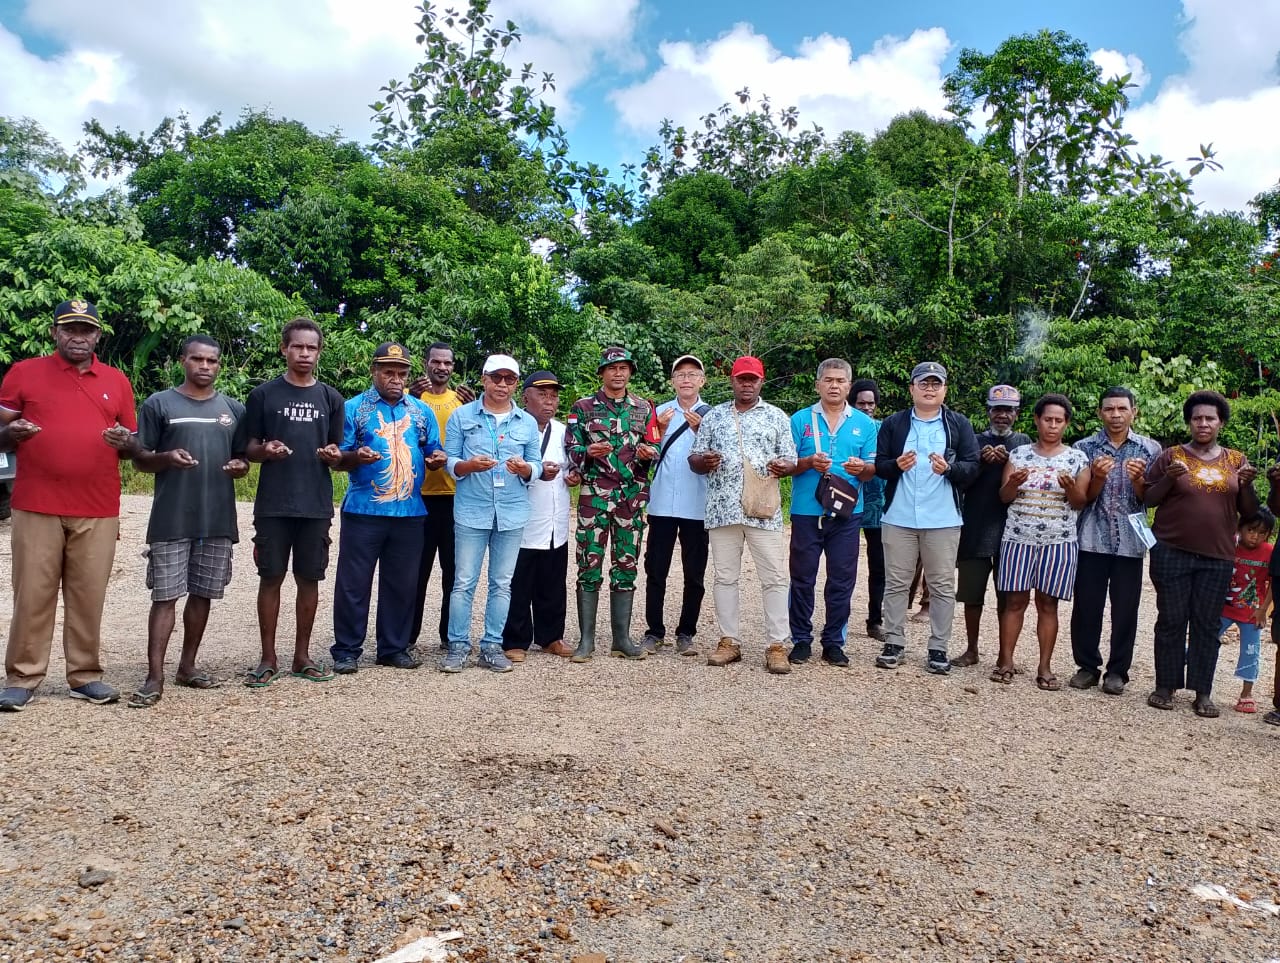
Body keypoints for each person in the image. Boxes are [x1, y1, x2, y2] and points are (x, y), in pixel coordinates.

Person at [0, 299, 138, 710]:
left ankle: (85, 674)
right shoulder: (25, 372)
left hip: (97, 504)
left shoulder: (116, 380)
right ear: (54, 332)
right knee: (33, 593)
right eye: (70, 329)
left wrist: (124, 443)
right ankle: (22, 677)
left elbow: (133, 444)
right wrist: (13, 433)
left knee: (88, 593)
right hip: (36, 501)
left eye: (87, 330)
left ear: (98, 335)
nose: (79, 336)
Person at [127, 335, 250, 708]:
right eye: (197, 359)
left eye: (212, 361)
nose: (205, 366)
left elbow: (243, 459)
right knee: (165, 596)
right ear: (183, 360)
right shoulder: (159, 404)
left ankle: (188, 665)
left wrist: (239, 466)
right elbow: (139, 458)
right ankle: (154, 675)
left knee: (203, 593)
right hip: (171, 517)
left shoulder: (233, 409)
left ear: (219, 365)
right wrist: (165, 458)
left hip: (217, 518)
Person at [235, 318, 345, 688]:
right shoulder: (264, 395)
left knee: (309, 578)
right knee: (271, 577)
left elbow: (337, 450)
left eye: (311, 348)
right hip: (273, 503)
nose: (304, 353)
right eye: (297, 346)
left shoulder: (331, 398)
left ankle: (303, 655)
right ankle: (268, 657)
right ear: (284, 348)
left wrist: (333, 455)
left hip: (315, 503)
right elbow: (247, 447)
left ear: (319, 352)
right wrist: (264, 450)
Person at [325, 342, 445, 674]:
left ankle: (392, 647)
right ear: (374, 372)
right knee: (354, 582)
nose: (395, 378)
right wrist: (354, 457)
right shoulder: (354, 409)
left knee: (402, 582)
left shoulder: (421, 412)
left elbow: (432, 450)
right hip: (364, 510)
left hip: (410, 511)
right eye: (388, 372)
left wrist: (437, 459)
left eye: (401, 373)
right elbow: (339, 458)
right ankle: (347, 649)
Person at [1145, 390, 1258, 718]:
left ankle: (1202, 692)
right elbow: (1150, 499)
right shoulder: (1171, 456)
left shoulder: (1237, 461)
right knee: (1171, 620)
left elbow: (1248, 512)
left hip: (1218, 556)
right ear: (1189, 422)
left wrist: (1247, 484)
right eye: (1197, 418)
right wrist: (1168, 478)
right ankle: (1165, 686)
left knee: (1207, 625)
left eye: (1210, 418)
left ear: (1221, 422)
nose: (1203, 423)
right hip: (1171, 550)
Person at [689, 356, 797, 675]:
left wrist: (784, 467)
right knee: (724, 577)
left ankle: (777, 645)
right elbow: (694, 457)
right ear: (732, 382)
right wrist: (703, 461)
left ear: (761, 382)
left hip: (763, 509)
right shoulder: (715, 417)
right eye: (741, 379)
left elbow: (791, 459)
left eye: (753, 379)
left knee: (774, 577)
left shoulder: (776, 417)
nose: (747, 384)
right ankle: (729, 641)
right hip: (723, 509)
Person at [873, 361, 980, 674]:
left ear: (945, 389)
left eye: (936, 384)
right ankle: (893, 642)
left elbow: (973, 467)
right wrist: (896, 466)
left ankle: (938, 648)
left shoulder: (958, 424)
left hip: (943, 518)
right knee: (896, 583)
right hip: (900, 515)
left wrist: (949, 470)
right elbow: (879, 465)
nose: (930, 389)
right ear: (912, 388)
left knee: (943, 586)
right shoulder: (894, 423)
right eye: (924, 383)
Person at [442, 354, 543, 673]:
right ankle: (457, 646)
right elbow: (449, 459)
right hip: (472, 509)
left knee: (502, 582)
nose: (502, 384)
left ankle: (491, 645)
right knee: (464, 581)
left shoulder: (527, 421)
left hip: (512, 512)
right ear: (483, 379)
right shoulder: (462, 416)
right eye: (496, 378)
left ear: (516, 383)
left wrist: (527, 469)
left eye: (509, 379)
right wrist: (468, 466)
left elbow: (537, 464)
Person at [565, 346, 660, 662]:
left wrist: (649, 454)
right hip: (595, 498)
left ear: (630, 372)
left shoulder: (644, 408)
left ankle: (621, 639)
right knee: (588, 565)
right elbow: (572, 446)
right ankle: (586, 641)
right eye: (612, 368)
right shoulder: (582, 407)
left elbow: (653, 445)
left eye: (624, 368)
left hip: (631, 500)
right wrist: (586, 454)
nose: (618, 373)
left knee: (626, 566)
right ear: (602, 373)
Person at [989, 394, 1090, 689]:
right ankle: (1005, 660)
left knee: (1048, 604)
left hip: (1059, 540)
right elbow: (1004, 498)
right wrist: (1013, 483)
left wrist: (1071, 488)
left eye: (1059, 421)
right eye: (1048, 419)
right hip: (1019, 536)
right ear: (1036, 420)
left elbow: (1080, 503)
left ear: (1067, 424)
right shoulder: (1018, 454)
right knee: (1015, 600)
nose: (1053, 425)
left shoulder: (1077, 458)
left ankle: (1044, 667)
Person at [1067, 387, 1162, 695]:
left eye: (1122, 409)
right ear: (1100, 413)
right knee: (1087, 606)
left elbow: (1150, 498)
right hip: (1091, 538)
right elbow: (1082, 499)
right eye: (1109, 409)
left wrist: (1138, 480)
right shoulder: (1084, 447)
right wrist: (1096, 477)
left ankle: (1118, 671)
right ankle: (1087, 666)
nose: (1116, 415)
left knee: (1125, 610)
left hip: (1130, 543)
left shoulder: (1150, 449)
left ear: (1134, 411)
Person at [787, 359, 877, 666]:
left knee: (842, 578)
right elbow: (787, 466)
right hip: (806, 510)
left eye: (840, 380)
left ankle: (834, 641)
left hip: (848, 513)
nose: (834, 385)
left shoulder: (864, 424)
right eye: (828, 380)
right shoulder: (801, 420)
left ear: (849, 386)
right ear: (818, 384)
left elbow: (871, 471)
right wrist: (808, 462)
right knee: (802, 577)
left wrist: (862, 468)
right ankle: (800, 639)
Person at [951, 385, 1030, 668]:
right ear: (988, 411)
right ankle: (971, 649)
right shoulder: (972, 440)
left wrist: (1008, 460)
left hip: (1013, 530)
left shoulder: (1023, 443)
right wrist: (981, 463)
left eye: (1008, 410)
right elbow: (959, 479)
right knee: (972, 596)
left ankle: (1003, 654)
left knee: (1007, 597)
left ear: (1016, 414)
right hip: (975, 526)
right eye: (997, 409)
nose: (1002, 416)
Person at [642, 354, 712, 656]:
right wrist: (655, 428)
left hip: (698, 504)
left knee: (694, 573)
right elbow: (645, 451)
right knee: (656, 569)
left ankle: (687, 632)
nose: (686, 379)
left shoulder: (713, 415)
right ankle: (654, 631)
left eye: (692, 374)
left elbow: (719, 457)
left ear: (702, 380)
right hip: (662, 504)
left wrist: (701, 432)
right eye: (680, 374)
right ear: (672, 381)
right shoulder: (658, 412)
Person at [502, 370, 573, 661]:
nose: (549, 401)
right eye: (542, 394)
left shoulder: (564, 431)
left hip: (556, 517)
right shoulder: (515, 427)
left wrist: (573, 476)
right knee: (519, 582)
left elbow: (573, 464)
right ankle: (515, 639)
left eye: (554, 396)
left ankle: (551, 636)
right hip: (522, 518)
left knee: (553, 580)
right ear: (525, 396)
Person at [409, 342, 474, 651]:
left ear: (453, 367)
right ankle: (406, 637)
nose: (442, 367)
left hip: (454, 496)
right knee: (415, 572)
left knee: (454, 572)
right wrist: (409, 393)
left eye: (448, 363)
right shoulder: (413, 397)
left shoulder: (462, 402)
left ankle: (450, 637)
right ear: (426, 363)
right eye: (436, 361)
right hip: (418, 496)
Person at [1218, 509, 1274, 714]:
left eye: (1262, 533)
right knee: (1205, 641)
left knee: (1251, 652)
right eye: (1250, 530)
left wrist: (1263, 610)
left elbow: (1272, 583)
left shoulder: (1269, 552)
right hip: (1223, 608)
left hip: (1252, 612)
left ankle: (1246, 694)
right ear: (1239, 528)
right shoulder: (1229, 544)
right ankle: (1190, 671)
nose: (1255, 536)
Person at [851, 379, 886, 641]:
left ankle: (875, 620)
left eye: (870, 403)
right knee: (844, 565)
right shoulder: (846, 425)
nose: (866, 408)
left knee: (879, 567)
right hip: (846, 503)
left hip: (878, 507)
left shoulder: (884, 429)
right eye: (861, 403)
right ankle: (837, 617)